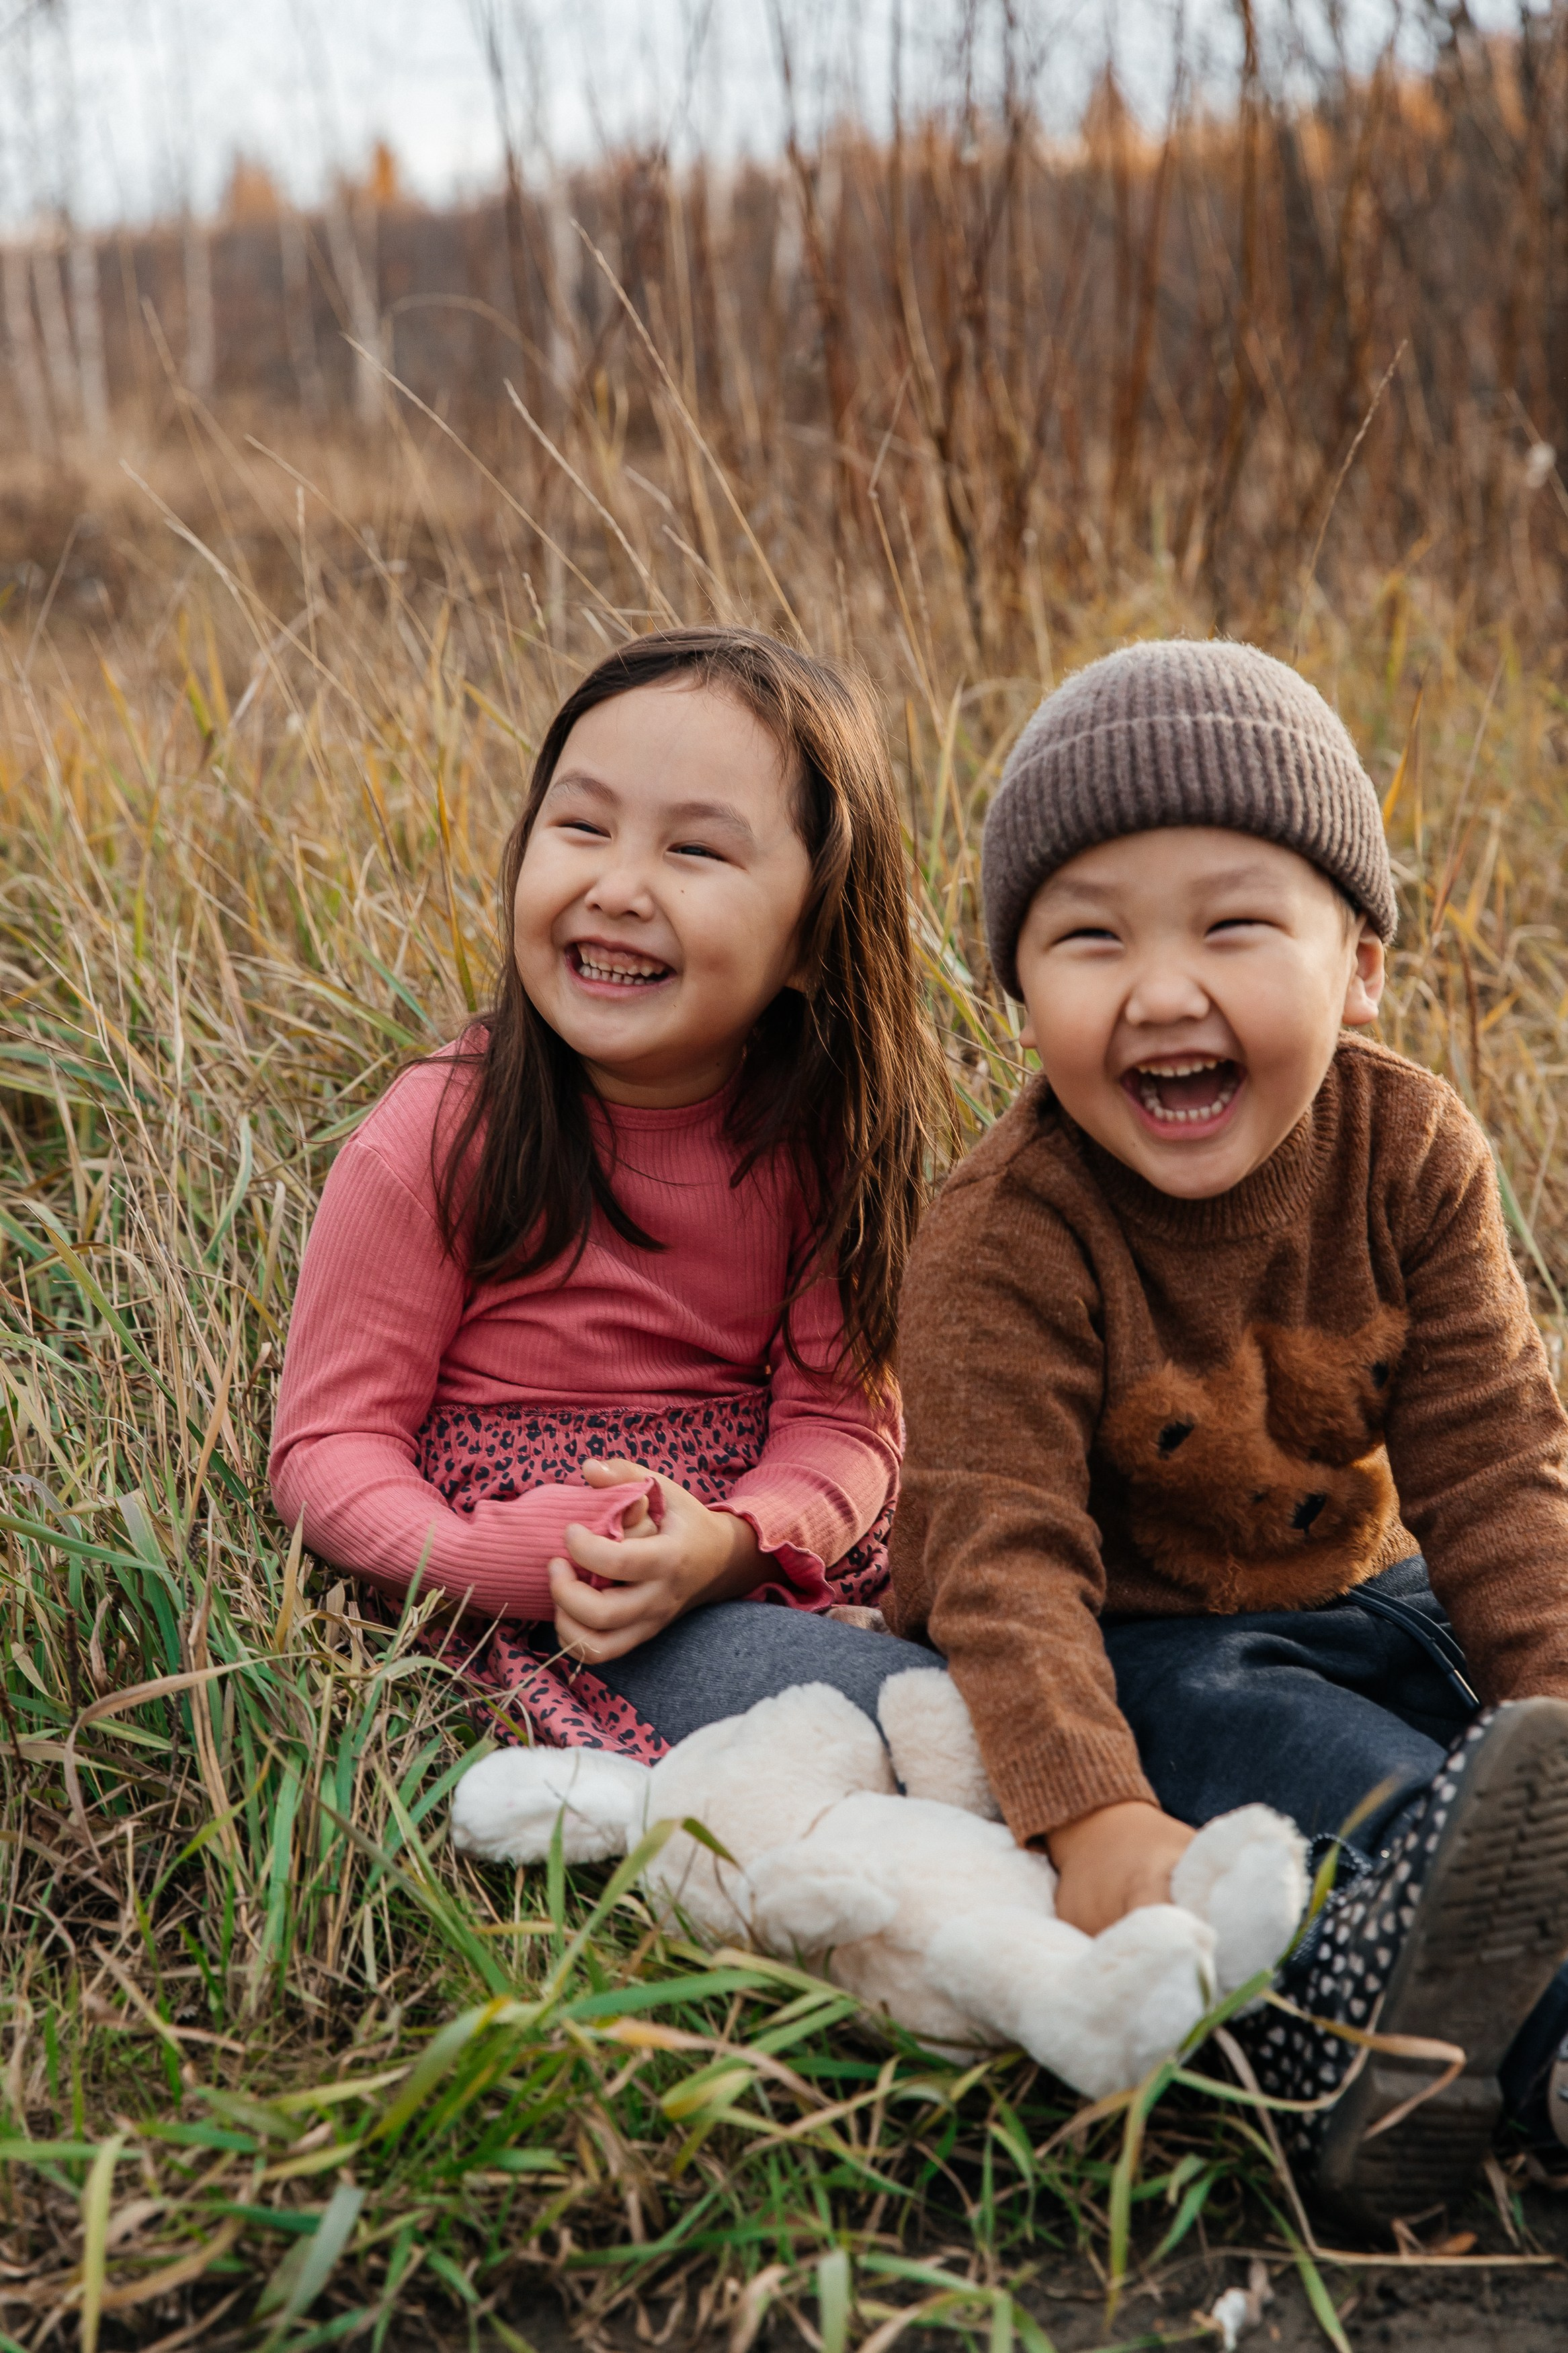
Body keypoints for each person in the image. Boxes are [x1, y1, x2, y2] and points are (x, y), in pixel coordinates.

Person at [889, 637, 1568, 2227]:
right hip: (1146, 1644)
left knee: (1490, 1716)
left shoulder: (1410, 1151)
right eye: (1090, 939)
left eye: (1236, 925)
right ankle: (1459, 2040)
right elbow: (1003, 1555)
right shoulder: (1009, 1231)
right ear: (1020, 987)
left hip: (1369, 1591)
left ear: (1362, 962)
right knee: (1348, 1774)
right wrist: (1092, 1810)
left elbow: (1496, 1466)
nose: (1163, 988)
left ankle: (1492, 1919)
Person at [272, 627, 949, 1761]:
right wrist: (489, 1562)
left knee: (1031, 1653)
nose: (618, 886)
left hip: (741, 1544)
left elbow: (843, 1423)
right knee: (896, 1722)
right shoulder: (442, 1130)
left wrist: (733, 1544)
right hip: (547, 1585)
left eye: (695, 852)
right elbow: (328, 1443)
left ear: (812, 940)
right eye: (580, 827)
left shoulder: (822, 1140)